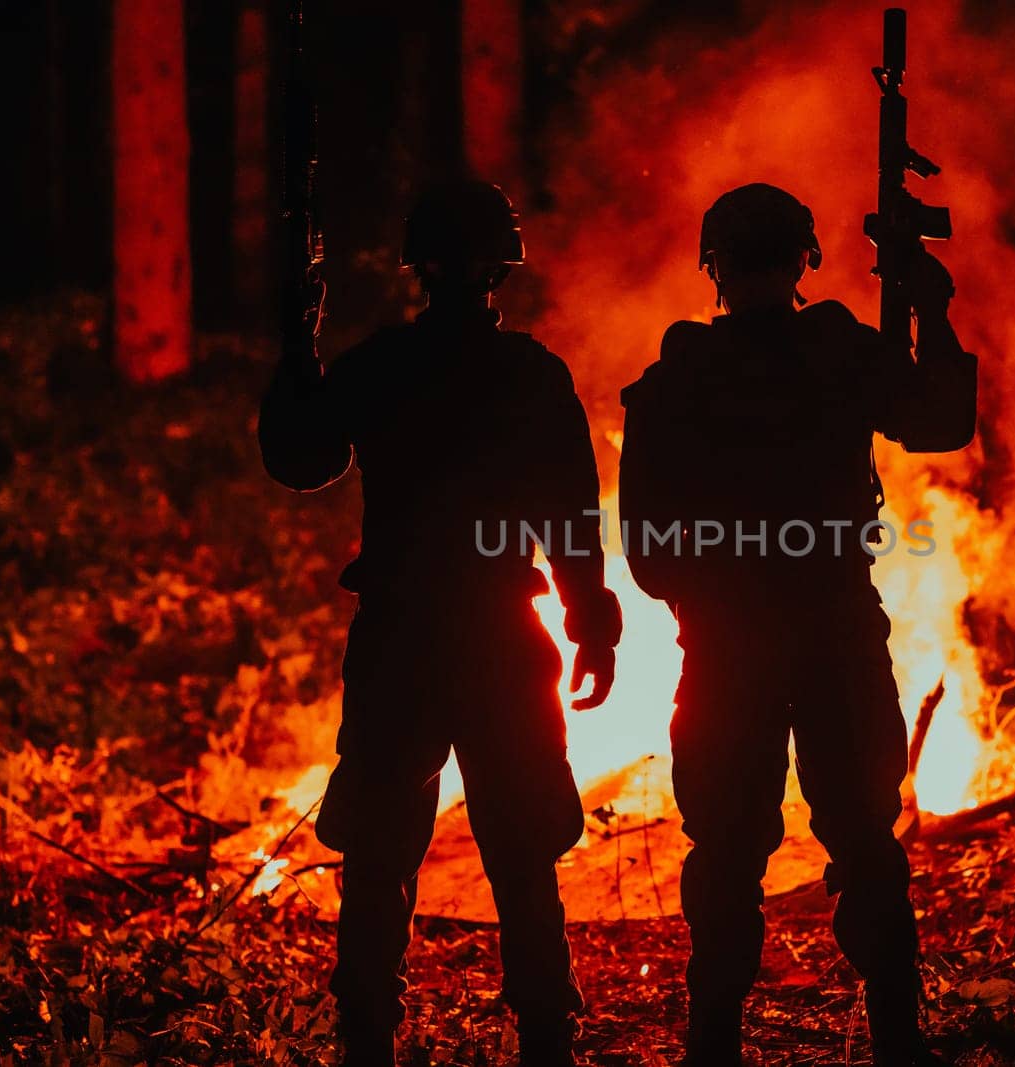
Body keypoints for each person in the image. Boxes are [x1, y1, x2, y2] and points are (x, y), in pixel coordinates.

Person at [259, 179, 621, 1067]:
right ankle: (546, 1038)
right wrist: (591, 621)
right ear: (504, 265)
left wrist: (295, 350)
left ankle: (365, 1043)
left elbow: (301, 460)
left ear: (415, 266)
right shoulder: (532, 376)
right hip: (500, 637)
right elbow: (571, 516)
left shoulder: (379, 367)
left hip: (401, 640)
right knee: (524, 851)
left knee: (380, 855)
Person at [618, 183, 976, 1066]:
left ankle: (714, 1043)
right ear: (803, 260)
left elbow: (649, 552)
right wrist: (930, 306)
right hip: (833, 633)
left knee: (727, 852)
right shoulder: (841, 354)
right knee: (864, 837)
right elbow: (941, 419)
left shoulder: (679, 379)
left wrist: (713, 594)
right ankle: (897, 1037)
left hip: (729, 648)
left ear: (714, 270)